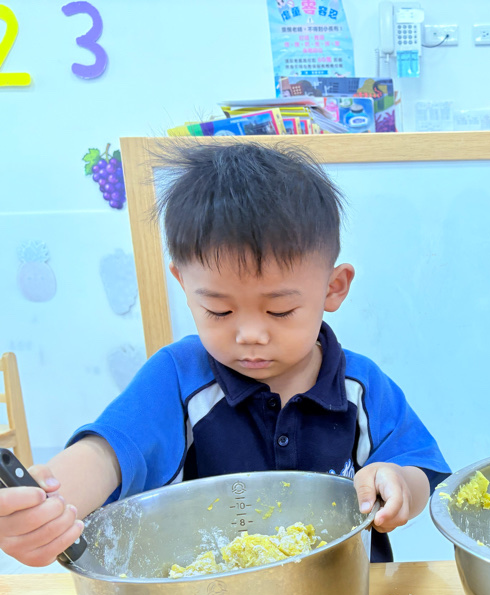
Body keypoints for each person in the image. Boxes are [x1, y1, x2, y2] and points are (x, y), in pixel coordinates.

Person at [0, 142, 449, 566]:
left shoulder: (361, 387)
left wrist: (398, 483)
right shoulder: (177, 377)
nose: (250, 335)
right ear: (184, 285)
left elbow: (419, 469)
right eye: (219, 310)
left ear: (333, 288)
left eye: (280, 310)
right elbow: (107, 454)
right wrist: (48, 505)